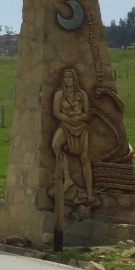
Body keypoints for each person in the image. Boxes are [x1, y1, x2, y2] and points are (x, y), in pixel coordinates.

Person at [52, 67, 93, 199]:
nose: (67, 80)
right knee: (55, 144)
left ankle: (90, 192)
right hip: (65, 125)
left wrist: (79, 117)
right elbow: (56, 113)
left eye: (70, 77)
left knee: (85, 157)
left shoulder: (82, 94)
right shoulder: (59, 94)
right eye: (65, 77)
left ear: (74, 79)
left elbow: (87, 114)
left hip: (81, 127)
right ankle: (68, 179)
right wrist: (68, 118)